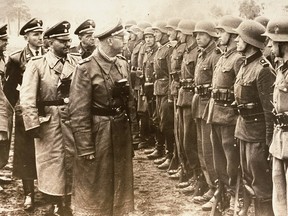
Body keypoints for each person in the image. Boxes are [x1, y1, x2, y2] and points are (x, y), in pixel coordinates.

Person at [69, 20, 134, 216]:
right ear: (109, 40)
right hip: (99, 134)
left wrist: (133, 137)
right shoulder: (85, 68)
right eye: (121, 38)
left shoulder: (122, 63)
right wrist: (85, 146)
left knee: (121, 180)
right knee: (97, 182)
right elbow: (78, 111)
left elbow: (129, 102)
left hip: (120, 131)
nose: (125, 41)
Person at [19, 20, 81, 215]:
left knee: (73, 160)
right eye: (62, 41)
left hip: (72, 119)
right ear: (50, 42)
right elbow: (27, 97)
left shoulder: (76, 62)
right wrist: (32, 124)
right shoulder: (37, 64)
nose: (67, 44)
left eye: (68, 40)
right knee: (52, 164)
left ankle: (68, 202)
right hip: (50, 122)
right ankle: (54, 202)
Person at [233, 20, 274, 216]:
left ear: (249, 41)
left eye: (239, 38)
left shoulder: (263, 70)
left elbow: (269, 111)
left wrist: (268, 142)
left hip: (257, 136)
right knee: (248, 178)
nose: (236, 41)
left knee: (262, 185)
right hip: (243, 131)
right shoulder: (243, 65)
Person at [4, 17, 45, 211]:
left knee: (48, 152)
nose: (40, 38)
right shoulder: (15, 59)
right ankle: (29, 193)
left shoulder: (48, 55)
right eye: (35, 34)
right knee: (26, 153)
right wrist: (18, 109)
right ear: (26, 37)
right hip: (25, 113)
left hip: (46, 112)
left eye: (41, 34)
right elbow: (9, 90)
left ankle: (48, 190)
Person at [206, 15, 244, 214]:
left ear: (232, 34)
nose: (218, 35)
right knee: (218, 160)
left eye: (221, 32)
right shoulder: (222, 57)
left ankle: (234, 199)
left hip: (230, 118)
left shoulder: (238, 59)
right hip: (215, 115)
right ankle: (222, 194)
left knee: (231, 163)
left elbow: (241, 90)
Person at [191, 20, 220, 208]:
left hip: (210, 107)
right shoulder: (202, 54)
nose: (198, 37)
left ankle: (217, 190)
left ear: (210, 36)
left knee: (211, 151)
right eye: (196, 34)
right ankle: (210, 186)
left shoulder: (215, 55)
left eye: (202, 34)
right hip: (199, 106)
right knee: (202, 150)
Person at [264, 16, 288, 216]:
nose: (270, 46)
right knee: (279, 193)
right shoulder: (281, 70)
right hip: (280, 138)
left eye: (272, 42)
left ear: (283, 43)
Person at [174, 19, 200, 192]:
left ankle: (197, 179)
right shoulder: (186, 52)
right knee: (183, 139)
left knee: (190, 140)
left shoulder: (197, 53)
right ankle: (190, 174)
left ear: (189, 33)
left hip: (192, 100)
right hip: (183, 97)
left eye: (181, 32)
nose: (178, 35)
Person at [147, 21, 175, 161]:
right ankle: (161, 150)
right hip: (158, 89)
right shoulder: (160, 49)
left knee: (167, 123)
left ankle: (170, 155)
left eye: (157, 32)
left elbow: (172, 74)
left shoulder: (169, 50)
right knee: (158, 120)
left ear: (164, 34)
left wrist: (170, 94)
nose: (155, 35)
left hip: (166, 90)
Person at [0, 24, 13, 192]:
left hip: (4, 110)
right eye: (3, 40)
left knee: (2, 147)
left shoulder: (3, 58)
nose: (6, 43)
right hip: (0, 111)